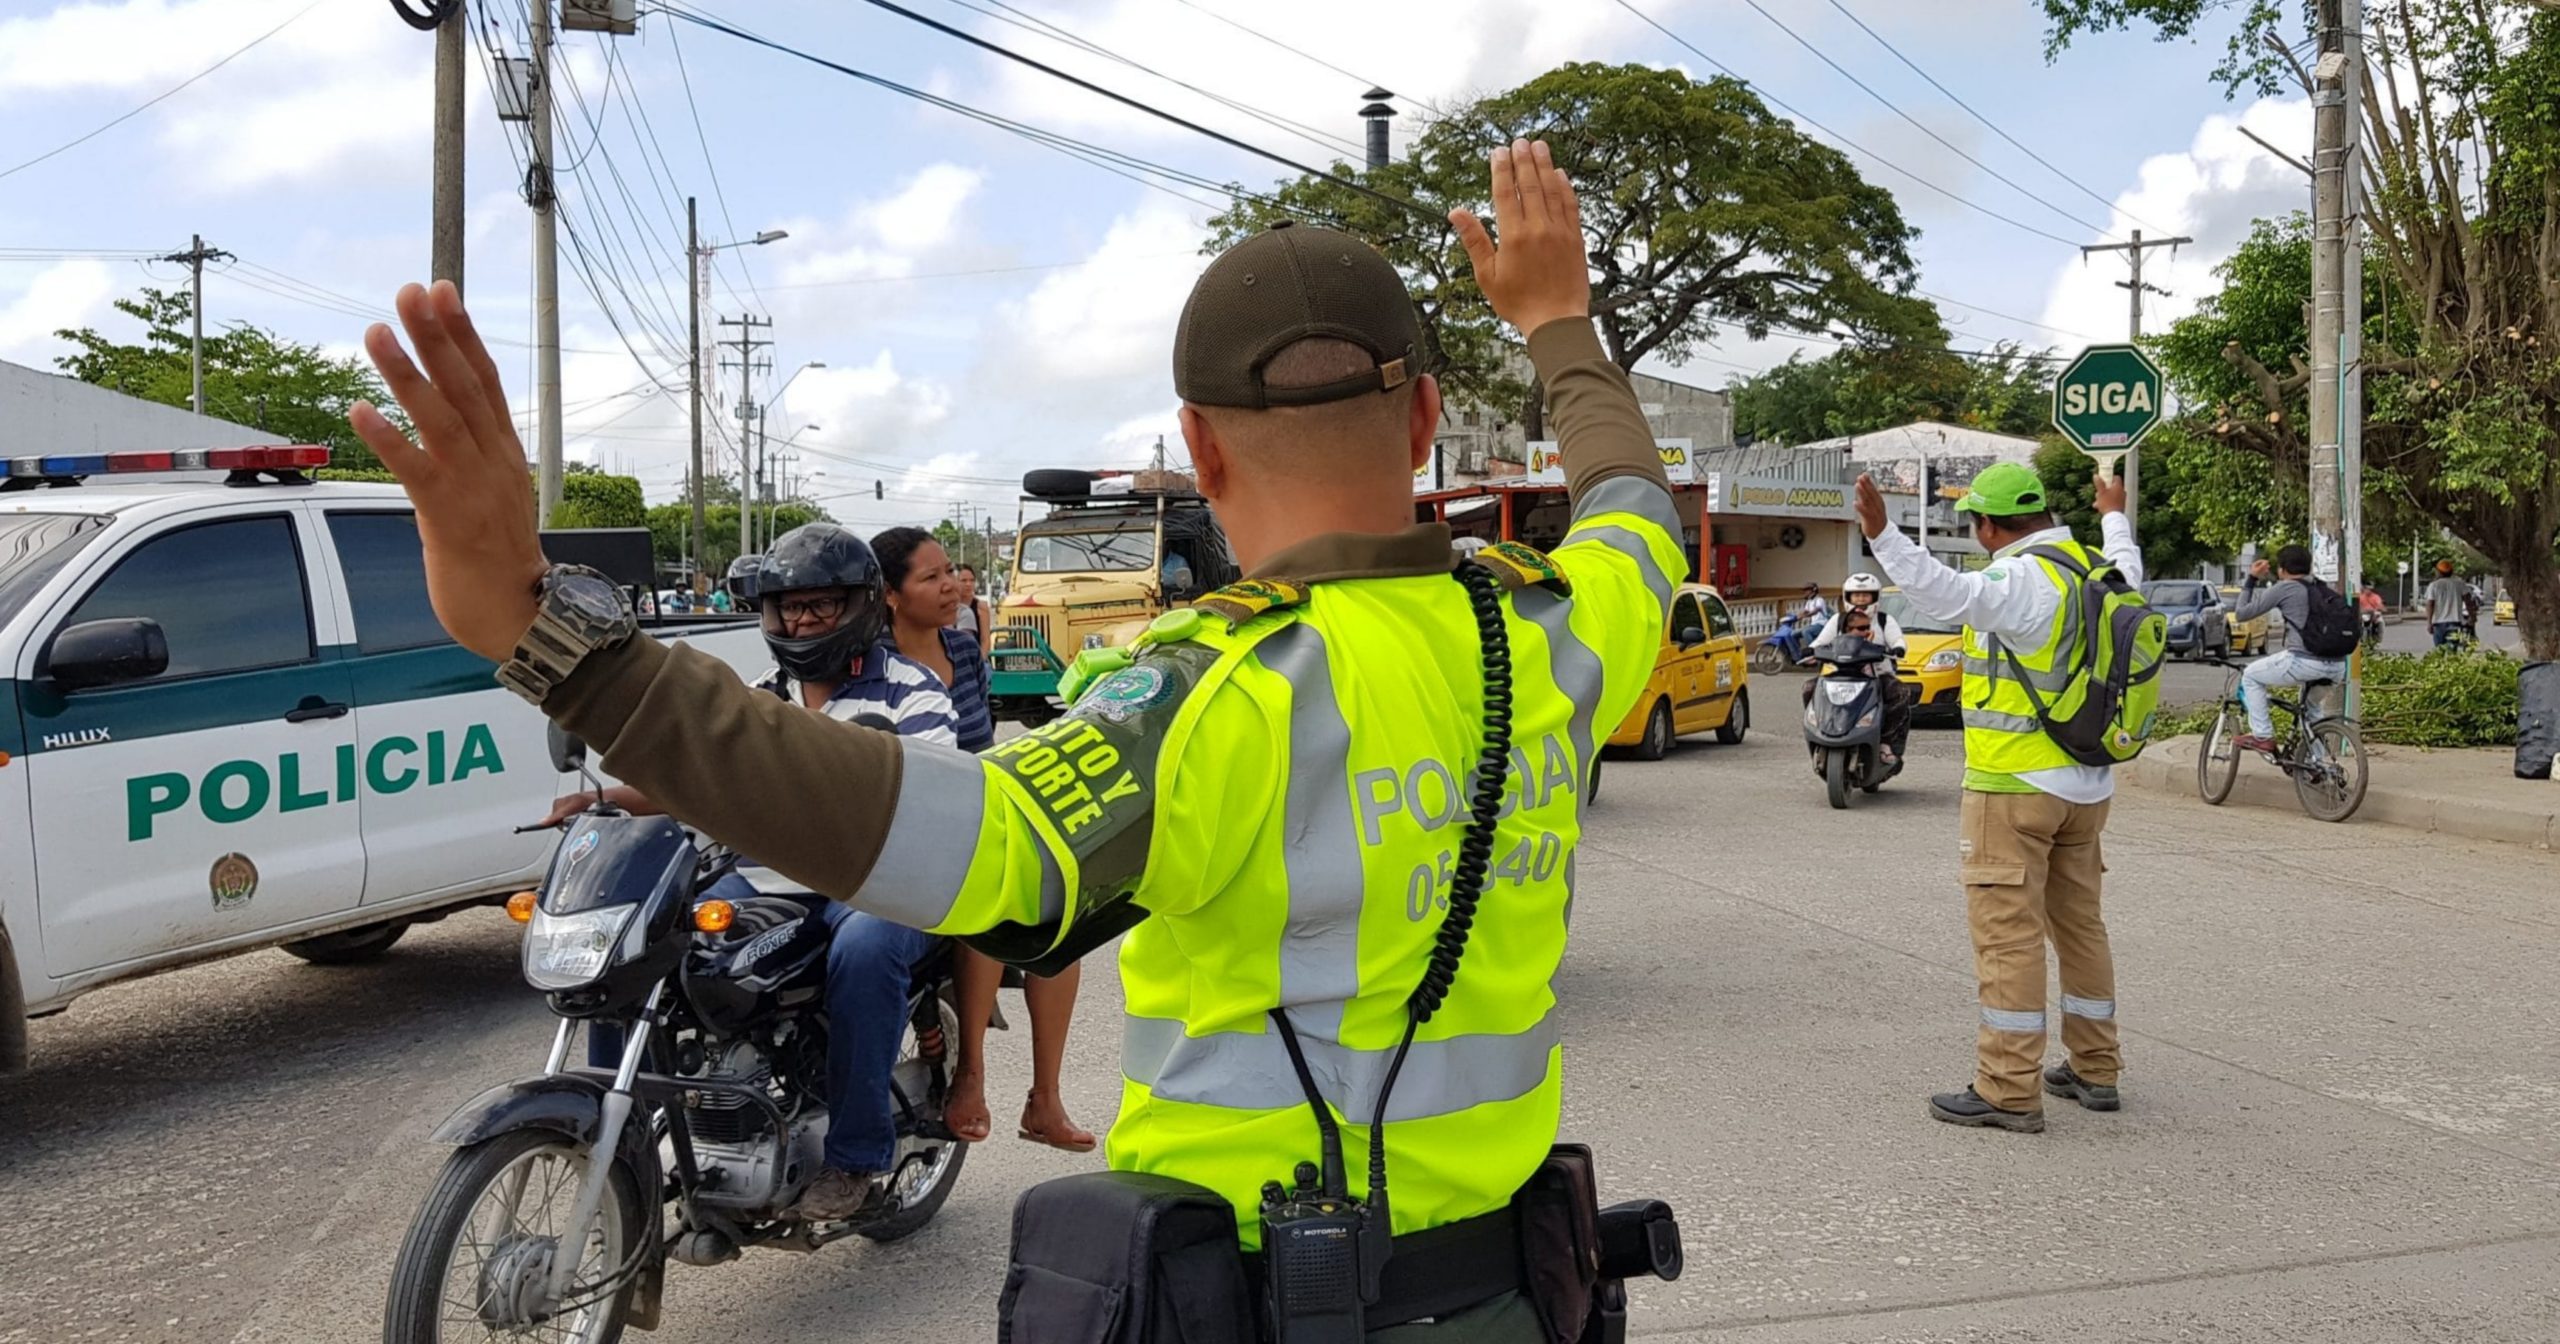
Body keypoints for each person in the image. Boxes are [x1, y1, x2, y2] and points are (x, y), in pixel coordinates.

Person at [350, 142, 1677, 1338]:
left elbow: (954, 840)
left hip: (1266, 1302)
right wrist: (1559, 322)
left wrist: (558, 640)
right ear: (1428, 418)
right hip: (1516, 1300)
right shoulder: (1553, 634)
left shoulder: (1209, 694)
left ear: (1202, 452)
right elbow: (1634, 512)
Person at [547, 523, 955, 1223]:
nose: (798, 620)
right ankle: (629, 1130)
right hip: (764, 879)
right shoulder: (759, 695)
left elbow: (931, 793)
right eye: (787, 607)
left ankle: (857, 1157)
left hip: (871, 883)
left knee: (862, 951)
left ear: (858, 607)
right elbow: (692, 773)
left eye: (817, 607)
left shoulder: (913, 694)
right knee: (643, 946)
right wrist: (603, 798)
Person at [1851, 460, 2141, 1134]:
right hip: (2088, 783)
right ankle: (2097, 1067)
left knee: (2008, 938)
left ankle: (2009, 1087)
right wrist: (2113, 511)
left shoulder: (2019, 577)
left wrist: (1883, 534)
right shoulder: (2097, 567)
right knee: (2080, 927)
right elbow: (2129, 555)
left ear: (1987, 525)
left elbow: (1948, 594)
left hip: (2014, 787)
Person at [872, 525, 1095, 1155]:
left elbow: (981, 751)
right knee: (988, 900)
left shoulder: (964, 651)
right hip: (905, 832)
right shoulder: (868, 663)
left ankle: (1044, 1099)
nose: (952, 588)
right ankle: (970, 1073)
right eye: (932, 578)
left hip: (975, 811)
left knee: (1064, 917)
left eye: (952, 574)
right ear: (890, 595)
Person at [2229, 547, 2349, 753]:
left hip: (2303, 662)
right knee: (2312, 710)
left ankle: (2262, 735)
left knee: (2250, 676)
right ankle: (2318, 767)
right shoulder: (2324, 588)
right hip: (2337, 666)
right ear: (2309, 566)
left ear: (2282, 570)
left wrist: (2251, 578)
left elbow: (2241, 614)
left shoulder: (2285, 588)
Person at [1806, 572, 1912, 765]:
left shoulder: (1883, 620)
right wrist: (1811, 650)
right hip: (1840, 676)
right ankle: (1818, 733)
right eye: (1856, 595)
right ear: (1848, 597)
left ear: (1875, 597)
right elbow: (1821, 641)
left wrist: (1898, 648)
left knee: (1900, 693)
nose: (1861, 599)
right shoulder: (1838, 620)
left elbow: (1897, 639)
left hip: (1878, 675)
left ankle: (1885, 743)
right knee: (1809, 689)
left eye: (1866, 595)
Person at [2424, 559, 2468, 647]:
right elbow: (2469, 601)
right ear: (2451, 571)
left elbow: (2430, 604)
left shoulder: (2434, 585)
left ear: (2438, 572)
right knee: (2452, 653)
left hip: (2439, 624)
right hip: (2456, 622)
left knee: (2440, 652)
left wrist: (2429, 622)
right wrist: (2472, 617)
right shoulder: (2460, 584)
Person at [948, 562, 993, 646]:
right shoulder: (949, 606)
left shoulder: (981, 606)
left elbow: (985, 641)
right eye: (963, 580)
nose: (968, 584)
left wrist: (980, 658)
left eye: (972, 580)